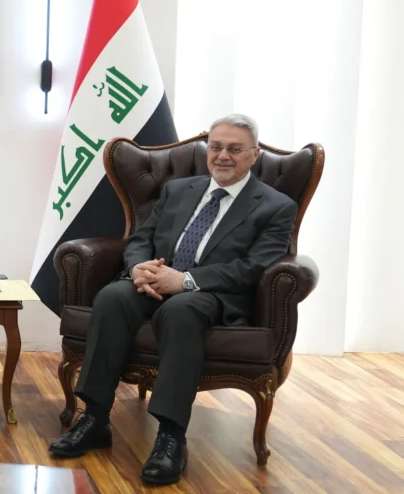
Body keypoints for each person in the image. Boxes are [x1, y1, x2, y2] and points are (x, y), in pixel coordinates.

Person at [47, 114, 297, 485]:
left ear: (254, 154)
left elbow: (255, 266)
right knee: (113, 296)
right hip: (154, 280)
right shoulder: (178, 189)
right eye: (216, 147)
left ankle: (171, 436)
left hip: (211, 295)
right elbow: (141, 238)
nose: (222, 155)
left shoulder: (275, 205)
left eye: (234, 149)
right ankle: (95, 418)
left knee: (182, 309)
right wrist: (137, 268)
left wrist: (187, 281)